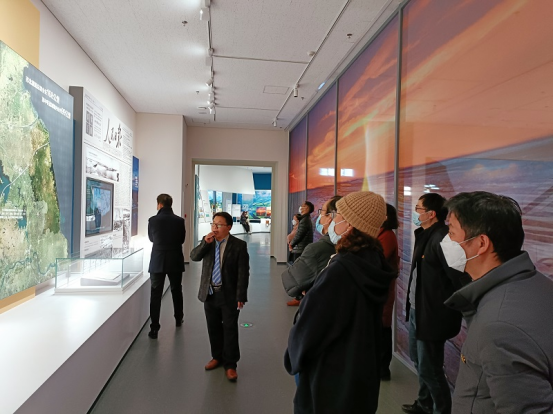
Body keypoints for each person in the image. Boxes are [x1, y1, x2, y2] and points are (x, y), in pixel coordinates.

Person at [285, 191, 397, 414]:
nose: (332, 221)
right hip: (357, 374)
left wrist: (293, 357)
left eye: (337, 216)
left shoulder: (341, 270)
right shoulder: (373, 262)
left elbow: (313, 328)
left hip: (328, 379)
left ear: (350, 225)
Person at [442, 192, 553, 414]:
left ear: (481, 243)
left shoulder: (500, 327)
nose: (446, 241)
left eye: (451, 232)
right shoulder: (536, 284)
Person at [403, 194, 471, 415]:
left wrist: (453, 309)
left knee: (430, 369)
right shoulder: (426, 234)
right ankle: (424, 404)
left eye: (418, 208)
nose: (415, 212)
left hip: (432, 315)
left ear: (431, 214)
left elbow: (460, 279)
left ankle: (441, 410)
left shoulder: (443, 240)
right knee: (419, 361)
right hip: (419, 309)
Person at [190, 212, 250, 383]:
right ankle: (217, 357)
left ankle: (230, 364)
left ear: (229, 227)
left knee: (230, 329)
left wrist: (241, 295)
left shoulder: (239, 245)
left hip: (228, 294)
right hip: (209, 293)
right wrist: (204, 243)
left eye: (219, 224)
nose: (215, 227)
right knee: (213, 327)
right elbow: (194, 257)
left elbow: (243, 272)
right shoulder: (208, 242)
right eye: (213, 224)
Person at [282, 196, 342, 304]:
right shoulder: (356, 248)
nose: (319, 216)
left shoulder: (316, 249)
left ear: (330, 217)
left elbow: (290, 284)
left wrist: (292, 243)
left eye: (322, 211)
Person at [147, 194, 186, 340]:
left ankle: (154, 328)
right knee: (176, 290)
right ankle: (178, 318)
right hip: (175, 259)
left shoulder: (153, 220)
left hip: (158, 259)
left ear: (159, 204)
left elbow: (151, 239)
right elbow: (182, 239)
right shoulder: (179, 221)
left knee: (155, 294)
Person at [378, 203, 400, 381]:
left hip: (383, 290)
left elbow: (376, 260)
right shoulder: (381, 234)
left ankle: (382, 368)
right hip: (379, 290)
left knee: (383, 328)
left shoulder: (387, 236)